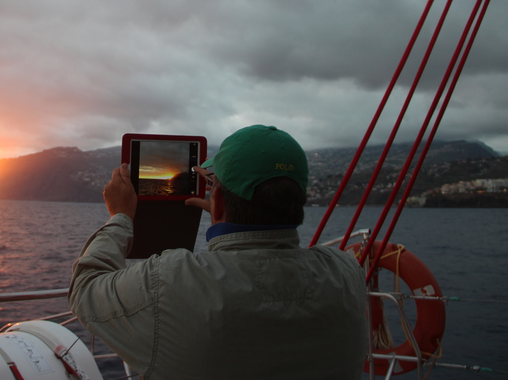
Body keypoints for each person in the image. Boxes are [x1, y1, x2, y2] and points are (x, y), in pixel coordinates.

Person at [68, 125, 368, 379]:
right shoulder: (347, 274)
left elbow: (85, 288)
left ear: (219, 199)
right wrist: (230, 214)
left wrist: (120, 217)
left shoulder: (171, 282)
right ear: (300, 197)